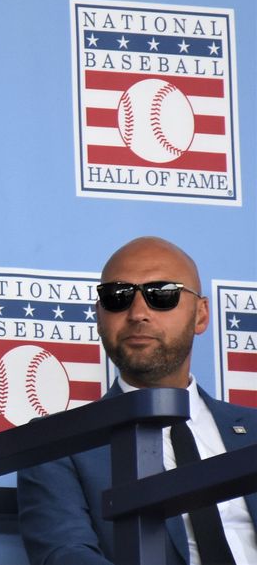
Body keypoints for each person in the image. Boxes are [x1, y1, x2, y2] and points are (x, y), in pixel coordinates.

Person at [17, 236, 257, 565]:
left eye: (163, 294)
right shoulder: (57, 442)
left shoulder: (253, 430)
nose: (138, 313)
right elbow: (66, 554)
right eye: (118, 297)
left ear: (200, 315)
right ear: (99, 316)